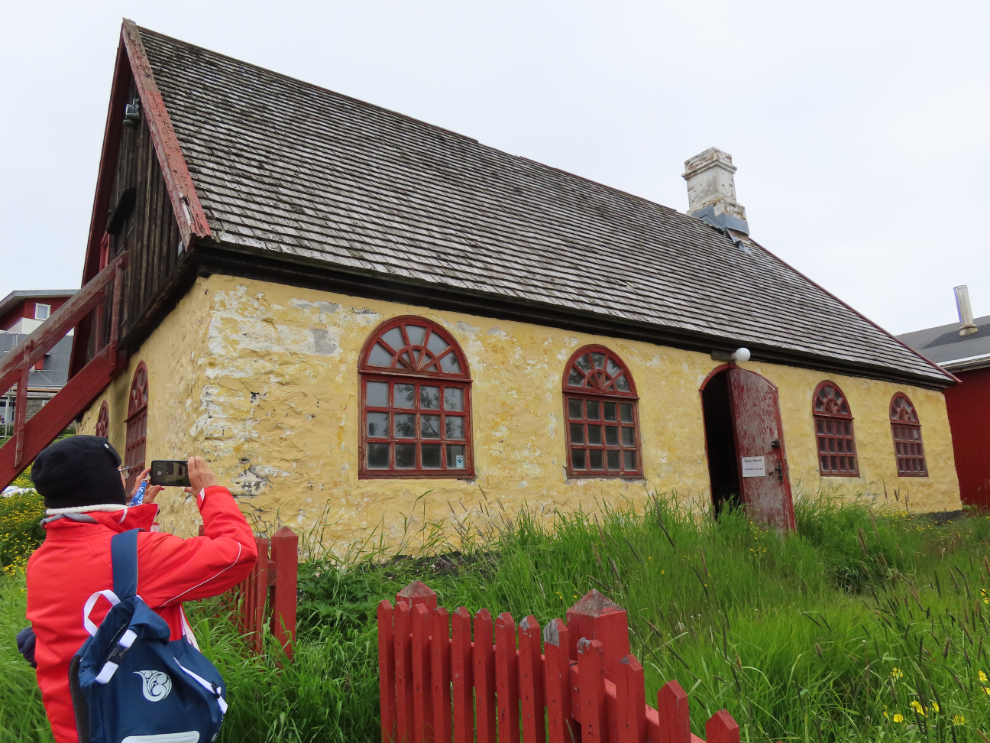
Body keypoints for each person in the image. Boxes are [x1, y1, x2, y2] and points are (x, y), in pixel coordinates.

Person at [25, 436, 258, 743]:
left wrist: (132, 510)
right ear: (104, 484)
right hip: (141, 725)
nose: (124, 478)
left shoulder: (42, 559)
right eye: (120, 472)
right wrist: (209, 493)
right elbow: (239, 552)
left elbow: (108, 563)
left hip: (77, 726)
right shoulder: (139, 554)